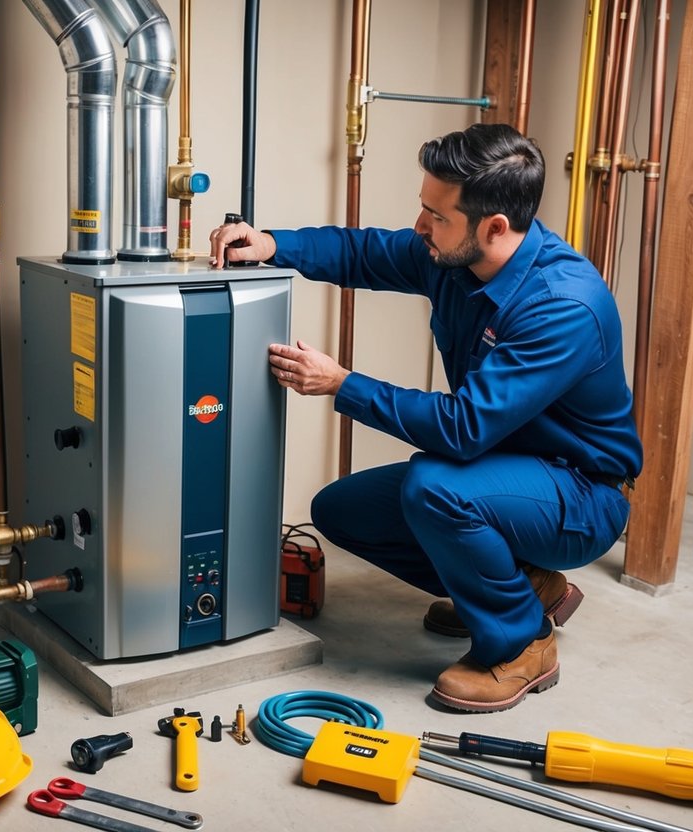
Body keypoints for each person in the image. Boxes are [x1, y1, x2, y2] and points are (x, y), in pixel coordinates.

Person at [208, 123, 642, 713]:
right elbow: (364, 252)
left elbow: (464, 429)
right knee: (341, 511)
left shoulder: (562, 307)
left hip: (579, 492)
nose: (420, 227)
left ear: (493, 227)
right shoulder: (455, 259)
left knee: (435, 488)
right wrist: (270, 244)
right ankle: (522, 588)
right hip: (506, 467)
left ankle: (522, 644)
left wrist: (342, 383)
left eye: (436, 216)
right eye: (424, 209)